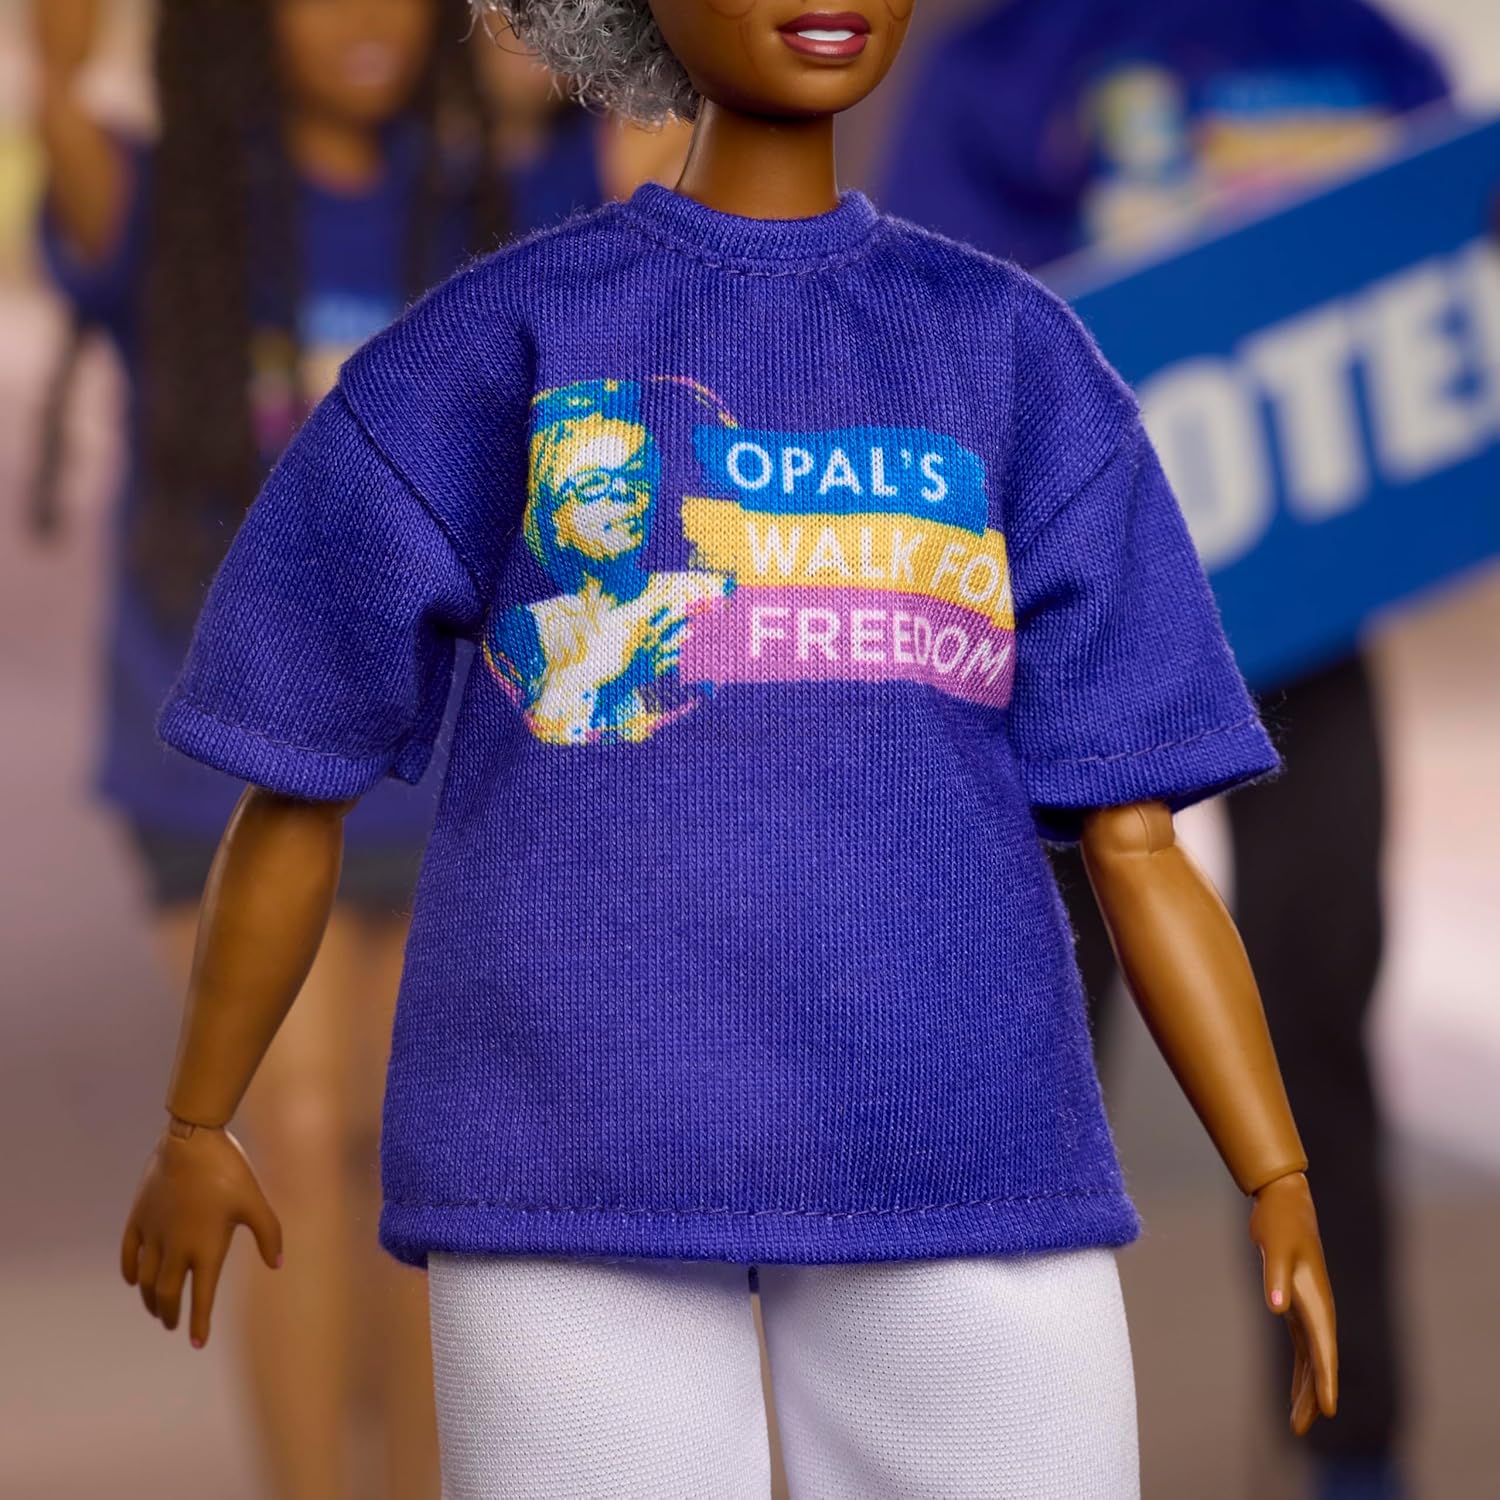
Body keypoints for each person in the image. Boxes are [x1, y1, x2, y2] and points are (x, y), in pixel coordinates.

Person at [118, 4, 1338, 1496]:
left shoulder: (1009, 354)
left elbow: (1136, 837)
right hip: (570, 1147)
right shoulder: (507, 342)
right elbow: (295, 779)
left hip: (952, 1133)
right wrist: (200, 1117)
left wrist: (1275, 1167)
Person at [881, 4, 1451, 1497]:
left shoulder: (1360, 46)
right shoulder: (1014, 60)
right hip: (1065, 639)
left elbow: (1449, 226)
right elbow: (933, 314)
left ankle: (1353, 1442)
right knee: (1035, 1033)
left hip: (1308, 613)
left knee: (1316, 997)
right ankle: (993, 1439)